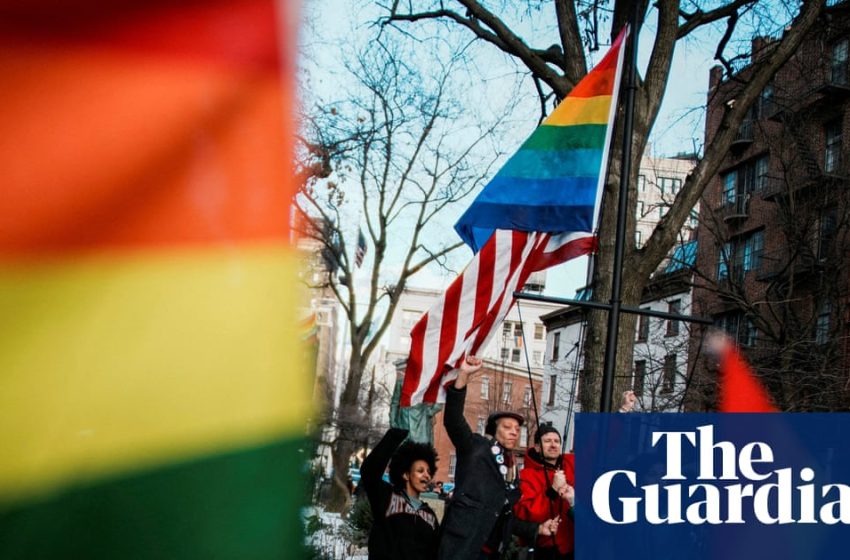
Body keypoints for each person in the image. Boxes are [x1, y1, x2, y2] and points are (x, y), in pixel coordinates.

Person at [439, 356, 559, 559]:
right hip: (460, 547)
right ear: (494, 430)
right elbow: (453, 419)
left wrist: (537, 529)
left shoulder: (513, 470)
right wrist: (464, 375)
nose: (514, 432)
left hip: (491, 552)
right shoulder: (476, 447)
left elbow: (505, 517)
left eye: (517, 429)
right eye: (507, 427)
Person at [359, 427, 440, 560]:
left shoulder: (430, 515)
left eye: (429, 472)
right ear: (406, 475)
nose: (427, 475)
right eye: (420, 471)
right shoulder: (386, 497)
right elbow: (369, 472)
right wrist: (394, 436)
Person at [515, 425, 575, 560]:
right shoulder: (526, 476)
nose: (553, 445)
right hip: (545, 548)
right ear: (537, 447)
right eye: (547, 441)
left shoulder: (571, 463)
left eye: (556, 441)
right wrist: (552, 490)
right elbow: (527, 514)